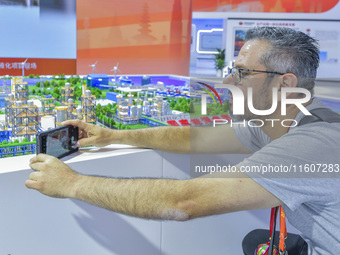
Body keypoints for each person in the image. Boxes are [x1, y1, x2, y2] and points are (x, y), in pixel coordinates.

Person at [26, 27, 340, 254]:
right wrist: (113, 135)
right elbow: (196, 139)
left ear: (285, 84)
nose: (227, 81)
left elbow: (183, 202)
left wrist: (71, 185)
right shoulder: (280, 122)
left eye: (243, 73)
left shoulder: (313, 144)